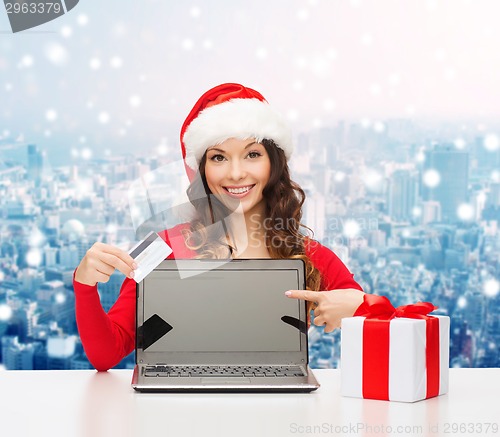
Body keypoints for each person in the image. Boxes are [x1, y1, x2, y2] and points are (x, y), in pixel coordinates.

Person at [74, 83, 365, 371]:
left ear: (273, 163)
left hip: (275, 406)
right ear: (201, 170)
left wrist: (361, 306)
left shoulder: (308, 254)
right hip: (181, 406)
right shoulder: (162, 248)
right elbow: (106, 353)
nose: (236, 173)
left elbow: (384, 323)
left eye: (252, 154)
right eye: (218, 157)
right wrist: (85, 285)